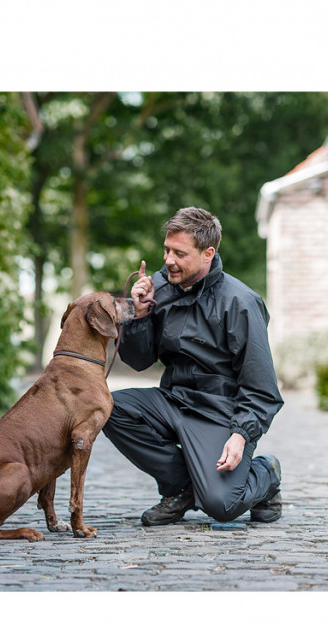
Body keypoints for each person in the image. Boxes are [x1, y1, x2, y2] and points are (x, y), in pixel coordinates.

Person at [103, 207, 284, 526]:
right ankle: (181, 487)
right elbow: (138, 360)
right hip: (172, 401)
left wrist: (241, 434)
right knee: (105, 406)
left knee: (222, 506)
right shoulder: (157, 288)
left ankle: (265, 472)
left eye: (179, 253)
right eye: (166, 250)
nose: (168, 260)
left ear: (207, 254)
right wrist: (139, 314)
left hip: (220, 413)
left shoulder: (240, 302)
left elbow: (262, 389)